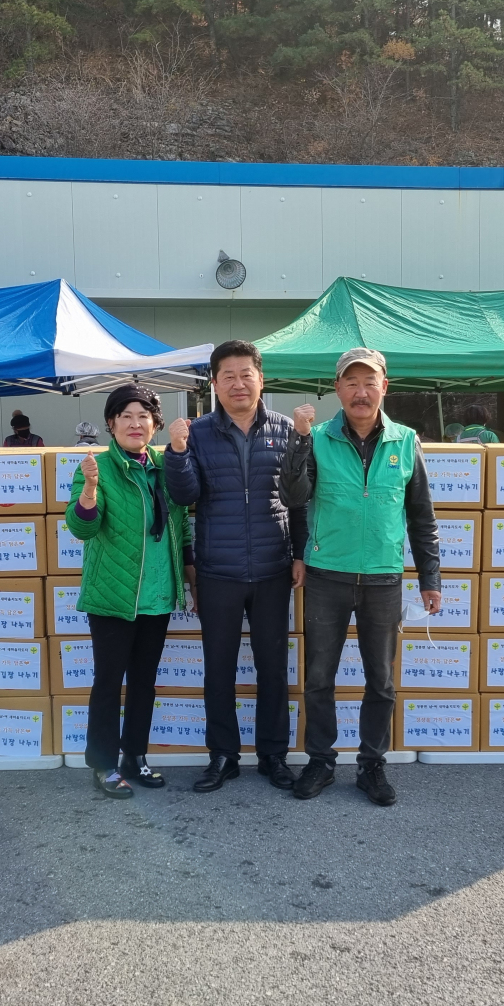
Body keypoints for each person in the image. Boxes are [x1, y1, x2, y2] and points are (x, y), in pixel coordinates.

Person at [280, 348, 441, 807]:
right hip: (327, 575)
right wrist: (299, 441)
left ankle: (372, 764)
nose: (361, 392)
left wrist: (429, 578)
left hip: (383, 578)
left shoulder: (405, 441)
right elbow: (293, 497)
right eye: (351, 382)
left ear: (384, 387)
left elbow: (421, 516)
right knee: (319, 677)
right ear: (337, 389)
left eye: (369, 382)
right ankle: (320, 760)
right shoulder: (317, 438)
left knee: (381, 680)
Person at [164, 340, 306, 794]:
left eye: (246, 374)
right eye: (228, 376)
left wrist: (299, 554)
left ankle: (273, 756)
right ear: (214, 383)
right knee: (219, 668)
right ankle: (222, 756)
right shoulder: (199, 432)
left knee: (273, 668)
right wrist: (177, 453)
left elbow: (299, 500)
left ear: (261, 379)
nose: (238, 383)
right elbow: (185, 497)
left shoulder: (285, 430)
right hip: (217, 571)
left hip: (272, 568)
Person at [66, 384, 195, 798]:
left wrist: (189, 577)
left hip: (157, 595)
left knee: (144, 682)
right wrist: (89, 489)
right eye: (126, 416)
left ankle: (134, 757)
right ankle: (103, 764)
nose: (135, 423)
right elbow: (82, 527)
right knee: (108, 683)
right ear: (111, 423)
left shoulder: (166, 466)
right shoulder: (98, 468)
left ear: (155, 424)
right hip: (112, 596)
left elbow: (182, 523)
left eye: (144, 416)